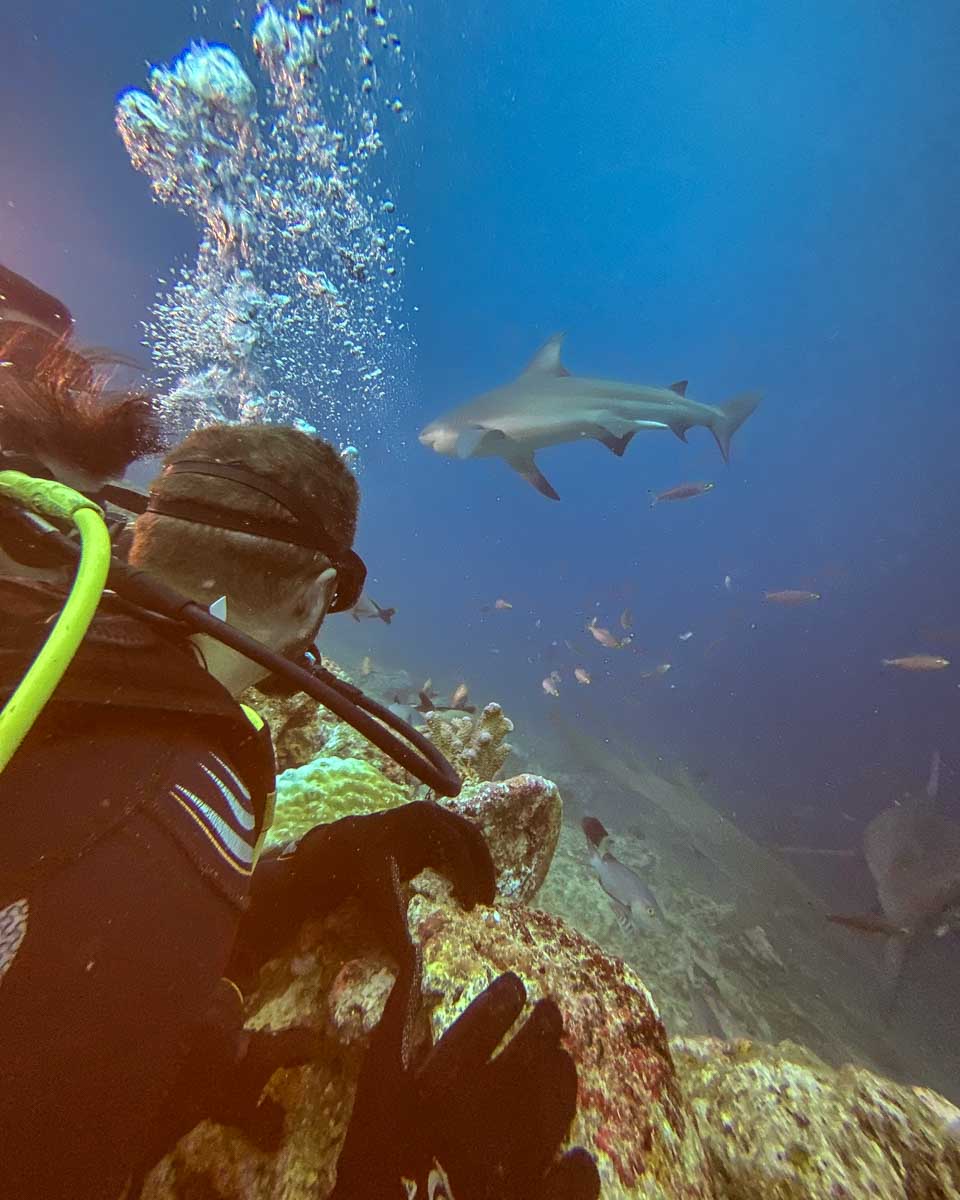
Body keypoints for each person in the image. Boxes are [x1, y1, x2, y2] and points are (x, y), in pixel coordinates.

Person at [0, 272, 600, 1199]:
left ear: (135, 536)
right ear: (323, 600)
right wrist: (390, 1174)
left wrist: (299, 878)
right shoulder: (161, 808)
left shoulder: (60, 681)